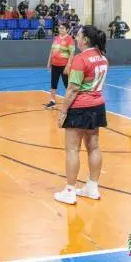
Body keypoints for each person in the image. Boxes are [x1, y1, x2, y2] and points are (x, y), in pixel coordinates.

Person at [53, 25, 108, 205]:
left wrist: (63, 111)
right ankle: (92, 187)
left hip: (79, 108)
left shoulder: (80, 59)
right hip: (97, 106)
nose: (75, 38)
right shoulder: (102, 58)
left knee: (72, 150)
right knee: (94, 147)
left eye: (78, 35)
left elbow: (73, 88)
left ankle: (69, 191)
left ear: (85, 39)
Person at [45, 22, 75, 109]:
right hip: (55, 64)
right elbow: (52, 50)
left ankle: (71, 102)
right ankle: (52, 101)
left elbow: (72, 53)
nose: (60, 29)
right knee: (53, 83)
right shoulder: (56, 38)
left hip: (64, 65)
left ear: (67, 30)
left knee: (66, 84)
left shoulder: (70, 39)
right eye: (60, 28)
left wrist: (68, 66)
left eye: (62, 28)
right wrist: (49, 62)